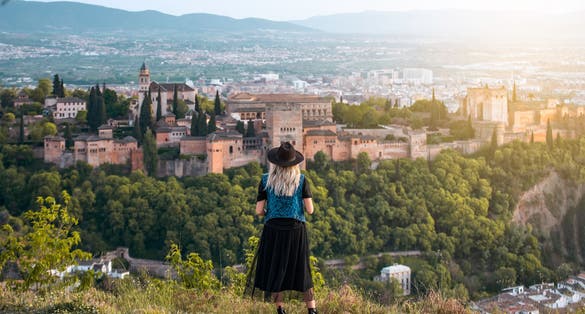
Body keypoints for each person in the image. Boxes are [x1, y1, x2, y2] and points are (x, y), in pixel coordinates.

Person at [246, 142, 317, 314]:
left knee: (276, 268)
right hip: (295, 229)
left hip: (273, 229)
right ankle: (312, 310)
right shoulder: (301, 180)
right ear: (295, 163)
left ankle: (280, 310)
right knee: (302, 269)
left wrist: (271, 211)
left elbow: (258, 211)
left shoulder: (265, 180)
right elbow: (310, 210)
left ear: (275, 163)